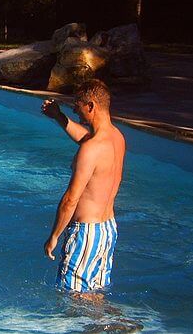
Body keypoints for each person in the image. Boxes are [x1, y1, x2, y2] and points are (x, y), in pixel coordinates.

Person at [41, 79, 126, 294]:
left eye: (77, 107)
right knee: (94, 296)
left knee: (72, 298)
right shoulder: (117, 138)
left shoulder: (90, 150)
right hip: (107, 230)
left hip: (86, 233)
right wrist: (59, 117)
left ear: (91, 106)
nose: (76, 112)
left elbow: (71, 199)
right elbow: (87, 138)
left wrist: (54, 235)